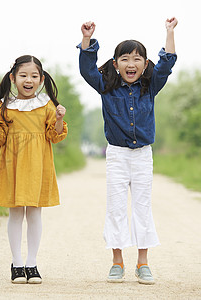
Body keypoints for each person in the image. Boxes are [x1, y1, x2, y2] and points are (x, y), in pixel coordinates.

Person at [76, 17, 178, 285]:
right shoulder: (106, 88)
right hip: (117, 155)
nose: (130, 64)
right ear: (115, 64)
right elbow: (87, 70)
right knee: (117, 207)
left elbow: (167, 64)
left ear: (145, 65)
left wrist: (169, 32)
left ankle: (143, 262)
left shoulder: (150, 87)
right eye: (124, 59)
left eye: (136, 59)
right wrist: (87, 40)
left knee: (142, 207)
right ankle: (117, 262)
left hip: (143, 155)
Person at [0, 55, 68, 284]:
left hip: (38, 165)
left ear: (41, 80)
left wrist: (59, 118)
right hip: (13, 165)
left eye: (33, 76)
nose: (28, 80)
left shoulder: (47, 105)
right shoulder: (5, 106)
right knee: (16, 213)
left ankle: (32, 262)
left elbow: (54, 135)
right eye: (23, 75)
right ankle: (17, 263)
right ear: (13, 78)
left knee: (35, 213)